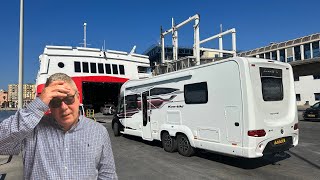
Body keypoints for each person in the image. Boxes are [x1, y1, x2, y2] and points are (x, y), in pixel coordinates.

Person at [0, 73, 117, 179]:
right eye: (55, 102)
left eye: (69, 99)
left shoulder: (99, 132)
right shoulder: (31, 129)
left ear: (78, 97)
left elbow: (107, 175)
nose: (64, 107)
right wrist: (38, 105)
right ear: (48, 105)